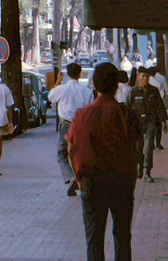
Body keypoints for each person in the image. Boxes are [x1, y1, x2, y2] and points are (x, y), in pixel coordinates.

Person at [66, 62, 138, 261]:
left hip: (91, 181)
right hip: (121, 181)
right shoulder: (127, 113)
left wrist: (78, 179)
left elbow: (70, 149)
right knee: (123, 237)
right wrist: (132, 179)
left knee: (94, 239)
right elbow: (136, 151)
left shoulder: (81, 114)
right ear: (116, 86)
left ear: (95, 85)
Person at [49, 62, 94, 196]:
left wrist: (58, 81)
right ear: (80, 74)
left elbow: (51, 97)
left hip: (66, 124)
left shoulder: (62, 89)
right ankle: (80, 178)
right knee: (79, 153)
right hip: (81, 125)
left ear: (67, 74)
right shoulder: (86, 91)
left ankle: (71, 176)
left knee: (62, 152)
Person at [124, 67, 167, 182]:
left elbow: (160, 106)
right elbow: (127, 108)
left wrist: (164, 121)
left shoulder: (154, 90)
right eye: (142, 76)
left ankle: (147, 172)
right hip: (137, 122)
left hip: (150, 121)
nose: (145, 79)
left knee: (148, 147)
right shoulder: (133, 91)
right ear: (138, 77)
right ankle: (140, 167)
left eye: (147, 77)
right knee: (138, 148)